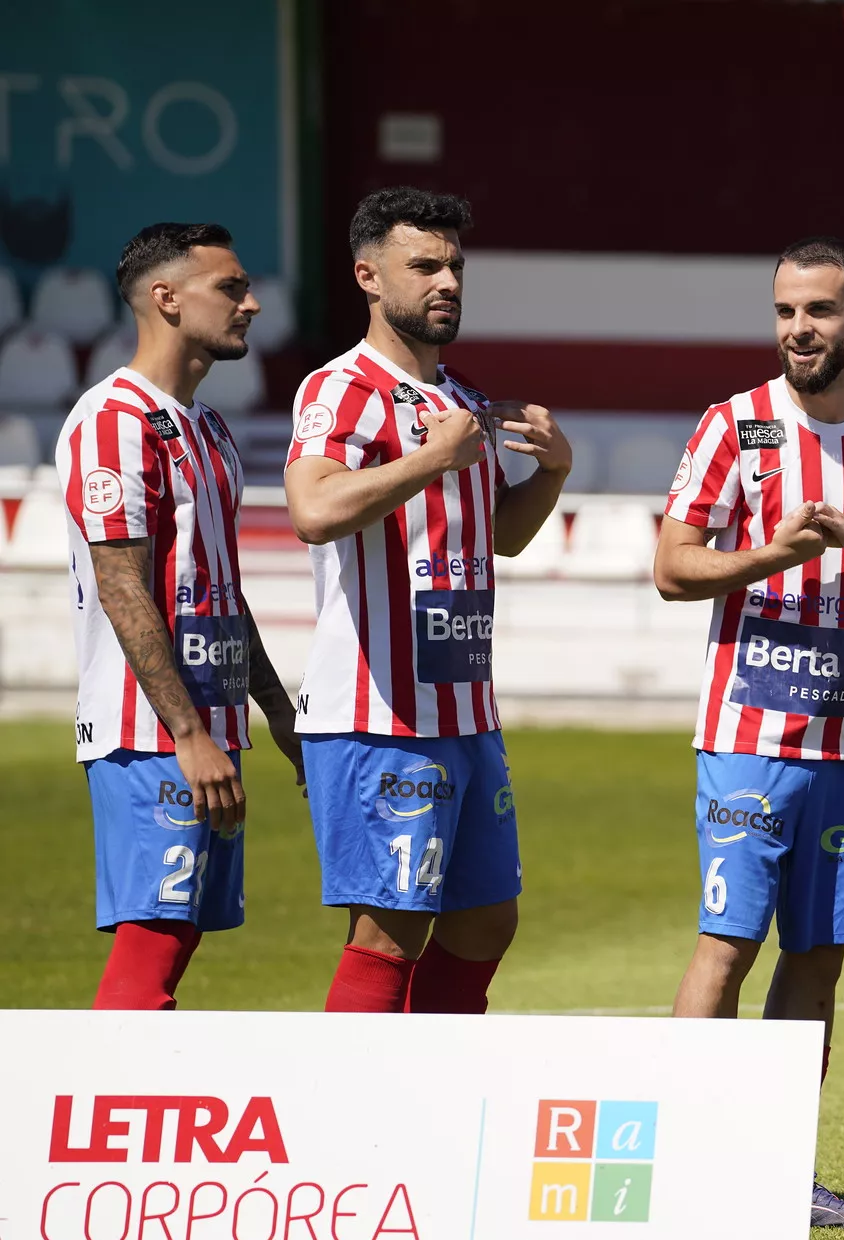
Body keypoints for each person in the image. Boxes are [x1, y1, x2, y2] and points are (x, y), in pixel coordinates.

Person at [655, 237, 844, 1230]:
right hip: (747, 735)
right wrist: (768, 556)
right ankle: (684, 1160)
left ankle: (783, 1168)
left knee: (819, 956)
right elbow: (672, 564)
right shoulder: (733, 428)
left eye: (819, 310)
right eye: (785, 310)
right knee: (726, 945)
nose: (798, 328)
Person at [284, 188, 574, 1014]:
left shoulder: (465, 400)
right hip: (379, 714)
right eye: (425, 265)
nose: (446, 280)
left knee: (486, 920)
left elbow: (502, 537)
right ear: (368, 276)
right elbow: (313, 510)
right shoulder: (340, 390)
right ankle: (350, 1123)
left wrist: (551, 472)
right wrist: (428, 459)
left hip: (464, 709)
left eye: (454, 265)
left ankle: (433, 1096)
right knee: (390, 930)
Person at [58, 222, 300, 1009]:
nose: (253, 303)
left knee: (179, 932)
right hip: (153, 733)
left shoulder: (207, 427)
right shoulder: (113, 421)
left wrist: (275, 712)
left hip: (210, 726)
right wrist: (188, 736)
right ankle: (96, 1118)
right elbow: (122, 584)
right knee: (153, 939)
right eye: (231, 288)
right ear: (166, 298)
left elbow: (220, 591)